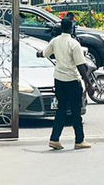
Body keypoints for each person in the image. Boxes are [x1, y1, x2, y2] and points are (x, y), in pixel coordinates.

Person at [37, 17, 92, 150]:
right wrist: (88, 83)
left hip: (59, 80)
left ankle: (54, 139)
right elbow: (80, 65)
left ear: (62, 27)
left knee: (61, 109)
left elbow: (44, 53)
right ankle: (79, 140)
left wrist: (38, 53)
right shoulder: (74, 44)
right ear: (71, 28)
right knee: (75, 111)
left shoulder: (55, 41)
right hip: (72, 80)